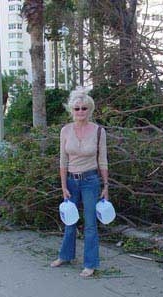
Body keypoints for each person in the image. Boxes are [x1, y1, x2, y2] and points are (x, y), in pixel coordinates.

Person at [50, 87, 109, 277]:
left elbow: (103, 160)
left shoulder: (99, 131)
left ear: (90, 110)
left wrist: (106, 185)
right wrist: (63, 186)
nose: (80, 112)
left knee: (90, 224)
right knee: (70, 221)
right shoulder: (65, 131)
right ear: (71, 110)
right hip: (71, 181)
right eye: (77, 109)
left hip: (91, 180)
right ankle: (66, 256)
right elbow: (63, 160)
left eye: (84, 108)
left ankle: (90, 263)